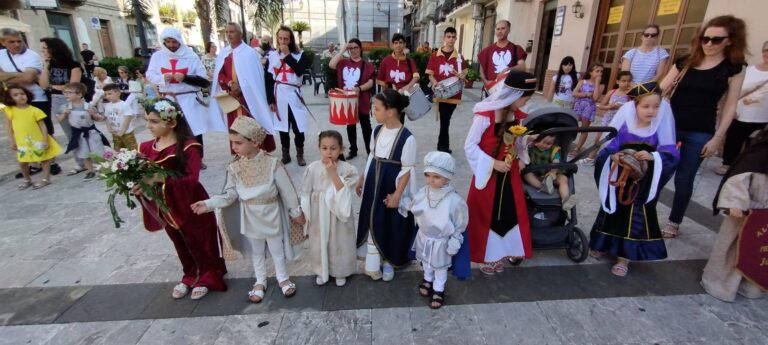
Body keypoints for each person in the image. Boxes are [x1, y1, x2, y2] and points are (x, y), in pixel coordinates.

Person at [191, 116, 304, 303]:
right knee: (256, 250)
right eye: (232, 143)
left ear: (255, 142)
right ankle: (260, 280)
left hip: (271, 214)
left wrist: (296, 212)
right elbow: (230, 194)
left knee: (277, 249)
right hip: (250, 215)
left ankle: (282, 277)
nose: (234, 147)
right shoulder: (234, 167)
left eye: (239, 143)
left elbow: (287, 191)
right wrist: (208, 204)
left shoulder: (272, 163)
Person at [659, 15, 747, 238]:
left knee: (684, 178)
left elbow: (729, 107)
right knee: (659, 173)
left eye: (716, 40)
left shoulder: (733, 68)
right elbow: (660, 91)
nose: (708, 44)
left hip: (701, 131)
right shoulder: (685, 61)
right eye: (705, 38)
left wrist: (717, 138)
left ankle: (674, 222)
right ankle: (642, 213)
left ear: (730, 40)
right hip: (670, 127)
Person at [135, 98, 227, 300]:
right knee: (178, 240)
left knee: (200, 239)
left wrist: (159, 177)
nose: (148, 126)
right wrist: (139, 185)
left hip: (190, 202)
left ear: (172, 122)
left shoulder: (188, 146)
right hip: (165, 204)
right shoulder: (147, 147)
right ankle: (190, 273)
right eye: (147, 120)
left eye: (154, 121)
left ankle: (208, 274)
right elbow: (143, 176)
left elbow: (191, 179)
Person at [589, 81, 679, 277]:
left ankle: (624, 257)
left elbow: (671, 156)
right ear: (635, 105)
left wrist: (653, 156)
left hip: (642, 183)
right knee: (611, 210)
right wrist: (614, 156)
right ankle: (603, 243)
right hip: (620, 178)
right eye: (646, 106)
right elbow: (609, 147)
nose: (652, 111)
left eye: (656, 107)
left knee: (635, 215)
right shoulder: (624, 125)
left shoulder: (660, 127)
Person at [464, 71, 536, 275]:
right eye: (525, 97)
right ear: (514, 94)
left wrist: (522, 158)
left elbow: (519, 143)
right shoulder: (484, 114)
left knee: (507, 213)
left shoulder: (519, 117)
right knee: (485, 214)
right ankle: (485, 256)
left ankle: (501, 253)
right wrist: (492, 163)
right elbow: (469, 146)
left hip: (509, 175)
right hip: (488, 175)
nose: (525, 102)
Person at [356, 89, 417, 282]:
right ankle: (374, 261)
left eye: (377, 108)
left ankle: (390, 259)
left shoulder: (407, 138)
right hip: (374, 181)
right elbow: (372, 157)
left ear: (390, 111)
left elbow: (407, 170)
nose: (373, 111)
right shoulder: (376, 131)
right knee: (373, 217)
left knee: (390, 221)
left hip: (391, 185)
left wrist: (397, 196)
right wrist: (362, 178)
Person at [702, 128, 767, 302]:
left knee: (759, 253)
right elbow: (738, 178)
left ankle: (752, 286)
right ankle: (720, 284)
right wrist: (735, 202)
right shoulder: (759, 156)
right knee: (733, 251)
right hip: (747, 213)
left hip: (765, 218)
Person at [410, 151, 469, 310]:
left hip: (441, 241)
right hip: (425, 237)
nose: (431, 180)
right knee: (427, 263)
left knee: (440, 268)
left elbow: (460, 222)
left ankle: (439, 289)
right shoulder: (424, 192)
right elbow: (413, 205)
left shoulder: (454, 200)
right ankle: (427, 280)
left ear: (447, 177)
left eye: (436, 177)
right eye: (428, 175)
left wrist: (455, 241)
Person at [300, 130, 359, 287]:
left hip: (337, 214)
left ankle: (340, 271)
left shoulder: (348, 169)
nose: (328, 152)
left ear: (341, 149)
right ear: (319, 148)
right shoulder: (312, 168)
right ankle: (321, 270)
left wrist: (333, 173)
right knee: (319, 242)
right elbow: (305, 192)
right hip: (318, 213)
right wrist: (304, 213)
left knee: (338, 241)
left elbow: (345, 192)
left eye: (333, 148)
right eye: (324, 148)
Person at [147, 27, 224, 144]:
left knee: (193, 132)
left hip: (189, 101)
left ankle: (196, 159)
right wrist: (162, 78)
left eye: (174, 42)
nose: (171, 45)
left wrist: (185, 77)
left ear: (179, 41)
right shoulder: (157, 57)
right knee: (170, 131)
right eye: (168, 42)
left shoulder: (191, 56)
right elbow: (150, 74)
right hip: (168, 100)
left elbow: (204, 81)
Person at [210, 22, 276, 154]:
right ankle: (239, 152)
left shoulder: (249, 53)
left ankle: (257, 151)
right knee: (234, 127)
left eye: (232, 32)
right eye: (227, 32)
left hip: (248, 99)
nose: (229, 35)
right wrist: (229, 84)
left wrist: (243, 89)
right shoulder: (224, 53)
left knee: (252, 125)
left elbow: (255, 78)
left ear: (240, 34)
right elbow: (220, 74)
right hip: (231, 97)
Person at [0, 29, 57, 176]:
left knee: (44, 129)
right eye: (12, 42)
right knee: (23, 131)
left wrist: (6, 76)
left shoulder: (31, 55)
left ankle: (51, 161)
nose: (17, 44)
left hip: (37, 98)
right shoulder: (1, 56)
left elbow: (29, 78)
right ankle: (33, 162)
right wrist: (19, 75)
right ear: (3, 42)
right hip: (13, 99)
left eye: (19, 40)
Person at [715, 40, 768, 175]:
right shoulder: (749, 71)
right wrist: (731, 110)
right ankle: (727, 164)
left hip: (763, 118)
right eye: (766, 50)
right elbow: (734, 92)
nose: (767, 53)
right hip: (741, 114)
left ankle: (748, 169)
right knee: (734, 140)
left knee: (756, 147)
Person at [266, 25, 312, 166]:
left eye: (286, 38)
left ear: (291, 39)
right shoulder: (272, 56)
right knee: (282, 127)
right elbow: (268, 79)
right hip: (279, 95)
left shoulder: (300, 55)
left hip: (294, 94)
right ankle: (286, 154)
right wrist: (270, 100)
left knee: (298, 126)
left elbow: (299, 71)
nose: (283, 41)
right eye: (280, 38)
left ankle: (300, 153)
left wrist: (287, 56)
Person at [2, 84, 62, 190]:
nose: (21, 96)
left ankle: (46, 179)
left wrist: (45, 139)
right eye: (16, 95)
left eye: (22, 94)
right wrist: (11, 140)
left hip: (37, 139)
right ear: (10, 98)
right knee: (22, 161)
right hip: (22, 141)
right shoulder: (10, 110)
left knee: (44, 159)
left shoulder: (35, 110)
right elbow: (8, 126)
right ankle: (27, 179)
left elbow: (43, 126)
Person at [40, 37, 83, 174]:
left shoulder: (73, 64)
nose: (44, 51)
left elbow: (73, 86)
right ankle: (79, 162)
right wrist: (46, 65)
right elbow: (44, 84)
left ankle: (92, 160)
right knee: (69, 133)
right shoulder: (50, 65)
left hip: (73, 100)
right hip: (57, 100)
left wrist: (56, 86)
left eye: (46, 48)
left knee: (81, 130)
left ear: (54, 48)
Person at [329, 38, 376, 159]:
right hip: (347, 101)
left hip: (362, 101)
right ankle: (353, 150)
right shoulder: (343, 63)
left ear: (360, 49)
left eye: (356, 47)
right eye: (351, 48)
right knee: (350, 127)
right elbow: (331, 64)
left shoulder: (367, 65)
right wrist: (342, 49)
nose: (353, 50)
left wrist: (359, 88)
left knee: (366, 127)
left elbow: (371, 82)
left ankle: (370, 151)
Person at [426, 27, 468, 154]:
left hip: (454, 94)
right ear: (444, 38)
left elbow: (465, 75)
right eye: (448, 36)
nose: (451, 39)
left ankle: (442, 145)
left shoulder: (460, 57)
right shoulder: (435, 55)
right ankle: (443, 146)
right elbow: (430, 74)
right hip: (441, 92)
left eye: (453, 37)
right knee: (445, 119)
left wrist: (462, 76)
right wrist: (434, 83)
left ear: (456, 38)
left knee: (446, 119)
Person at [56, 82, 109, 181]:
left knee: (98, 151)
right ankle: (90, 171)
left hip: (91, 132)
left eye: (69, 92)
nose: (66, 95)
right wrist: (64, 114)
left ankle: (104, 169)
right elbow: (59, 120)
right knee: (83, 153)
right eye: (65, 92)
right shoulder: (65, 107)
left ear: (79, 94)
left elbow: (99, 118)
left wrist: (94, 114)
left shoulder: (88, 106)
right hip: (78, 134)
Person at [581, 71, 634, 164]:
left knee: (615, 141)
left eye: (629, 81)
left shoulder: (630, 94)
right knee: (598, 139)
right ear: (617, 81)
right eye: (623, 81)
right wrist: (610, 107)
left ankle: (611, 161)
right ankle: (591, 158)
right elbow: (601, 105)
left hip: (621, 122)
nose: (626, 83)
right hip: (607, 119)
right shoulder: (612, 92)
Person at [523, 134, 577, 211]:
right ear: (536, 141)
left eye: (548, 144)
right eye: (542, 142)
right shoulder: (531, 147)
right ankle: (542, 187)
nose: (544, 145)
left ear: (553, 144)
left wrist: (553, 173)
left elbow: (556, 161)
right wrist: (530, 140)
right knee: (526, 175)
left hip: (551, 176)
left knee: (563, 179)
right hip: (537, 175)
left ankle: (565, 200)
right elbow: (523, 144)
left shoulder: (554, 150)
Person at [376, 33, 420, 124]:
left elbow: (416, 77)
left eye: (400, 42)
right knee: (388, 120)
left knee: (400, 121)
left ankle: (399, 137)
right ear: (392, 45)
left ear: (404, 44)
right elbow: (382, 81)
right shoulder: (386, 60)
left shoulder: (409, 61)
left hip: (403, 96)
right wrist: (383, 98)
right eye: (396, 43)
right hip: (389, 95)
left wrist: (408, 86)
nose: (398, 45)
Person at [477, 20, 528, 91]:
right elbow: (481, 70)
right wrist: (486, 82)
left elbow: (522, 67)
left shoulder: (516, 49)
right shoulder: (487, 50)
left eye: (503, 28)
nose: (500, 31)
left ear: (509, 30)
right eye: (498, 29)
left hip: (509, 90)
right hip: (491, 89)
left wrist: (507, 70)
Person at [570, 62, 605, 159]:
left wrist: (597, 83)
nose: (599, 73)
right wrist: (585, 94)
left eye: (601, 72)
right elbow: (574, 93)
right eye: (597, 71)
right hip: (579, 106)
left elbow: (595, 98)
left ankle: (577, 148)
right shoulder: (582, 81)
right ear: (590, 72)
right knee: (571, 124)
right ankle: (566, 142)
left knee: (584, 129)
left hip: (589, 108)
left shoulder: (601, 86)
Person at [102, 83, 137, 151]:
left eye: (109, 94)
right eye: (106, 94)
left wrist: (122, 131)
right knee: (118, 150)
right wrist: (109, 128)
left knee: (132, 149)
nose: (107, 96)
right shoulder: (107, 106)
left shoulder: (124, 105)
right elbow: (107, 118)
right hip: (115, 132)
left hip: (127, 133)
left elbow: (127, 118)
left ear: (118, 93)